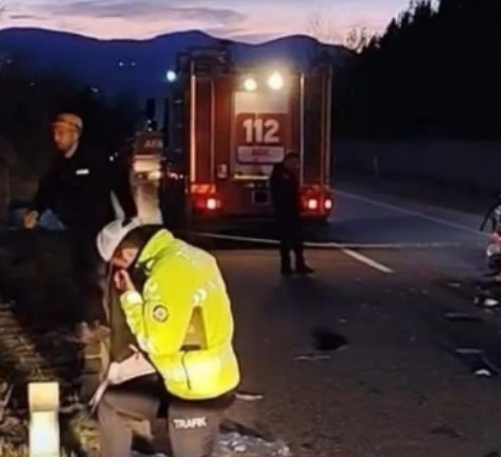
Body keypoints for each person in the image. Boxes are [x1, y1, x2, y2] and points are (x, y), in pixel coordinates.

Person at [93, 218, 240, 457]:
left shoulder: (166, 274)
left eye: (118, 265)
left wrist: (129, 297)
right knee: (112, 403)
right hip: (213, 378)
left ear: (127, 252)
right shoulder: (194, 256)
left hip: (194, 393)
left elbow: (158, 344)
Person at [22, 113, 138, 334]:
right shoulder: (58, 164)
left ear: (75, 134)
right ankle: (86, 319)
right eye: (55, 132)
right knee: (78, 273)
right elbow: (47, 190)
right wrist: (35, 210)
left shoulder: (95, 159)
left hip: (100, 228)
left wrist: (130, 214)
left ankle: (101, 321)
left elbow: (119, 182)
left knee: (96, 273)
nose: (56, 138)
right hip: (74, 227)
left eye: (61, 132)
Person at [269, 152, 313, 275]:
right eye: (294, 162)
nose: (296, 165)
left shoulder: (290, 174)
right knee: (285, 240)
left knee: (298, 239)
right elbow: (281, 192)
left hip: (293, 211)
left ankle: (300, 264)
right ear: (288, 161)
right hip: (284, 211)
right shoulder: (280, 174)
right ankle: (286, 267)